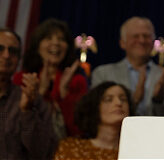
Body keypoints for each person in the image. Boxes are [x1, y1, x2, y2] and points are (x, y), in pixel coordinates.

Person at [91, 16, 164, 116]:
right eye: (135, 36)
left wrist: (158, 100)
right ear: (122, 43)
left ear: (153, 42)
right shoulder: (103, 74)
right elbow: (95, 112)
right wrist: (134, 100)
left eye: (146, 36)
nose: (141, 41)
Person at [15, 18, 87, 138]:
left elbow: (79, 129)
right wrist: (41, 91)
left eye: (61, 39)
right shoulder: (23, 78)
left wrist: (64, 93)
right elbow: (16, 125)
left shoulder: (77, 81)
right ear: (37, 46)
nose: (56, 43)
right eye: (48, 38)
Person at [0, 27, 58, 159]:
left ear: (19, 59)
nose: (6, 55)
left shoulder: (31, 99)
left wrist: (27, 111)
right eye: (0, 49)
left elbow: (43, 153)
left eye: (13, 51)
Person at [54, 81, 132, 160]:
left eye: (123, 99)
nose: (119, 103)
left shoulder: (137, 151)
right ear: (94, 107)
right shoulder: (71, 148)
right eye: (109, 99)